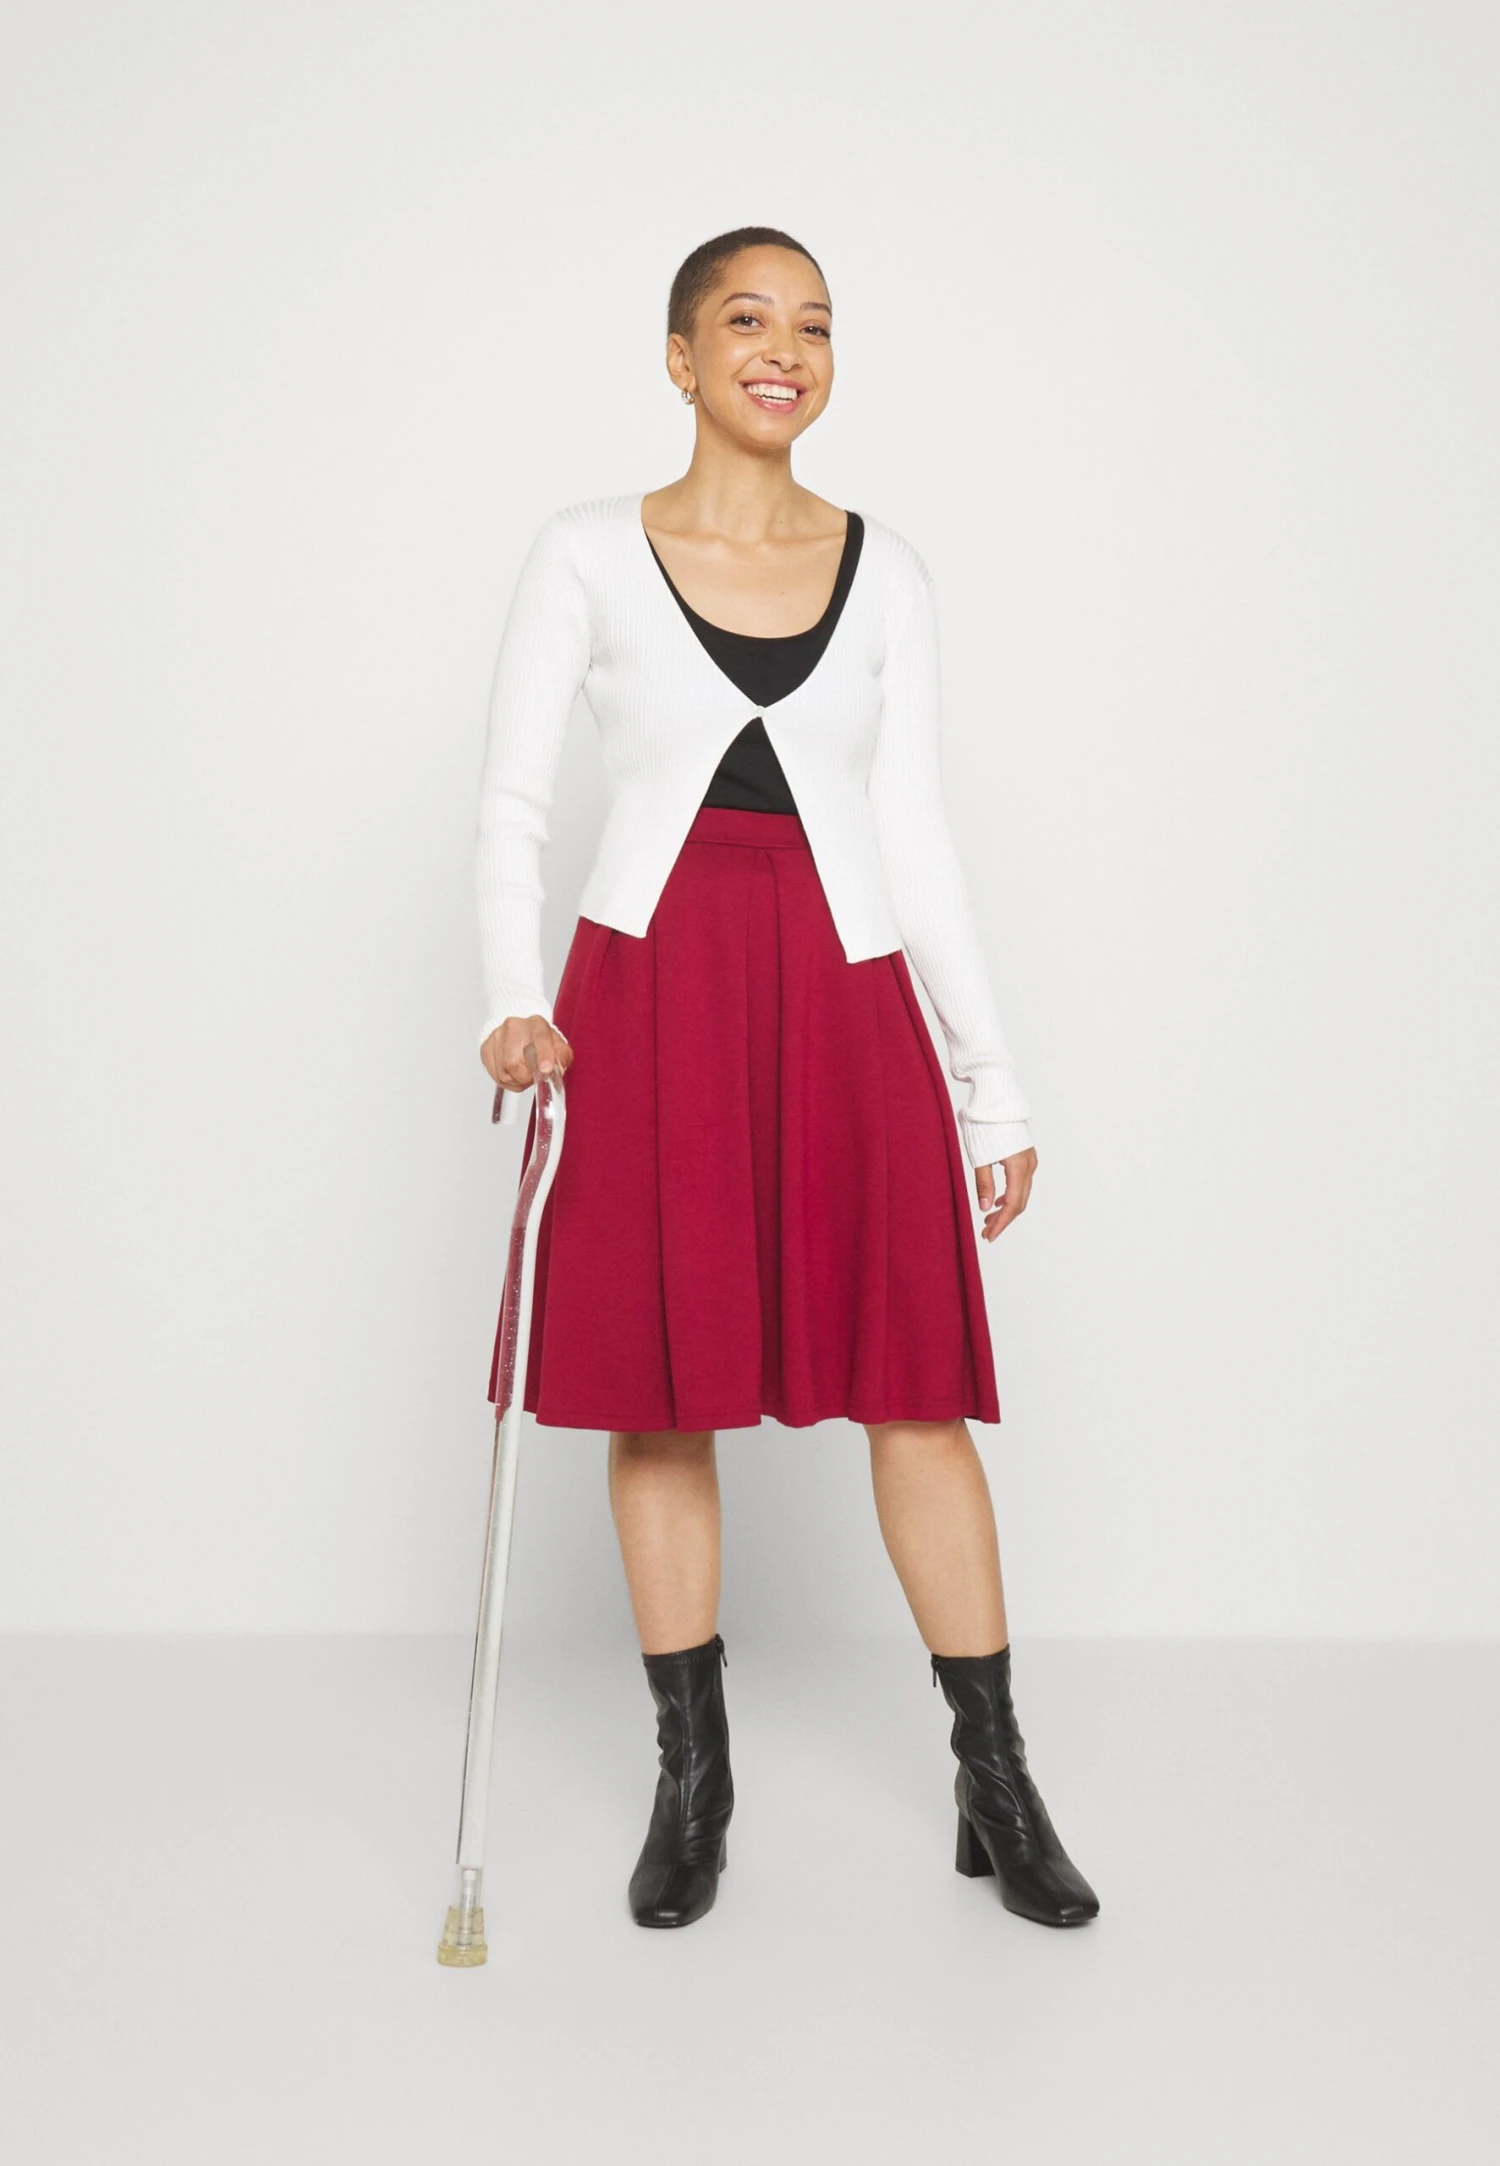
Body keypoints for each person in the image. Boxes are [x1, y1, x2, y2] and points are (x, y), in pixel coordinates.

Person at [474, 226, 1099, 1933]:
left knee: (916, 1383)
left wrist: (994, 1083)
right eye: (746, 320)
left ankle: (996, 1777)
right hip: (649, 992)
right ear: (681, 358)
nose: (784, 349)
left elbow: (915, 831)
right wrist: (513, 1000)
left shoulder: (889, 570)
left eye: (814, 325)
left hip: (842, 988)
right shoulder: (585, 551)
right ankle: (696, 1779)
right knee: (661, 1388)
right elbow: (514, 806)